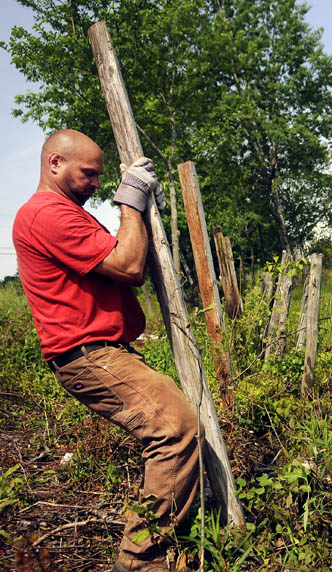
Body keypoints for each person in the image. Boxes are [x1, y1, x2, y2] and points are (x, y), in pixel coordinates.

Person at [13, 129, 202, 572]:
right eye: (89, 174)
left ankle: (171, 533)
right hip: (88, 354)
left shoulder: (61, 212)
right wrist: (130, 198)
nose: (96, 183)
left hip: (103, 352)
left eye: (101, 176)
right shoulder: (46, 214)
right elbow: (127, 263)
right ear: (54, 163)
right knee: (174, 426)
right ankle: (140, 562)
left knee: (173, 423)